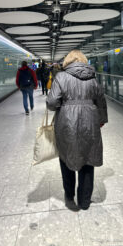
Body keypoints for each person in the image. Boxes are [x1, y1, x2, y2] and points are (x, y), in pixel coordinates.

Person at [47, 50, 108, 211]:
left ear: (67, 61)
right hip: (90, 121)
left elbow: (52, 102)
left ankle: (69, 196)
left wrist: (65, 106)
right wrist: (101, 120)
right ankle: (85, 201)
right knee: (88, 159)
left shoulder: (61, 77)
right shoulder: (93, 78)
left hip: (66, 122)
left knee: (66, 157)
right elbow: (101, 101)